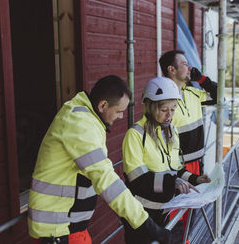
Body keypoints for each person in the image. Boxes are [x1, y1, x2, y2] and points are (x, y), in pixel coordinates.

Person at [28, 75, 171, 244]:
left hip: (68, 226)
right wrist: (147, 225)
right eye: (119, 111)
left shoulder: (88, 119)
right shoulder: (80, 124)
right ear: (103, 105)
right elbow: (106, 180)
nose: (120, 117)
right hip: (59, 231)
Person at [122, 77, 210, 244]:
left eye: (173, 109)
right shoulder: (135, 135)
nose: (170, 116)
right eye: (164, 110)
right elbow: (138, 180)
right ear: (150, 107)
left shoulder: (170, 131)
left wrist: (195, 179)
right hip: (142, 216)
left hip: (166, 210)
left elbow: (175, 168)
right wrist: (172, 182)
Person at [158, 50, 217, 241]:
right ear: (171, 69)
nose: (190, 67)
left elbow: (220, 96)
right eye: (184, 63)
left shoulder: (193, 93)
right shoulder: (162, 100)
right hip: (177, 169)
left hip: (196, 165)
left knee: (190, 216)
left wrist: (204, 80)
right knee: (174, 218)